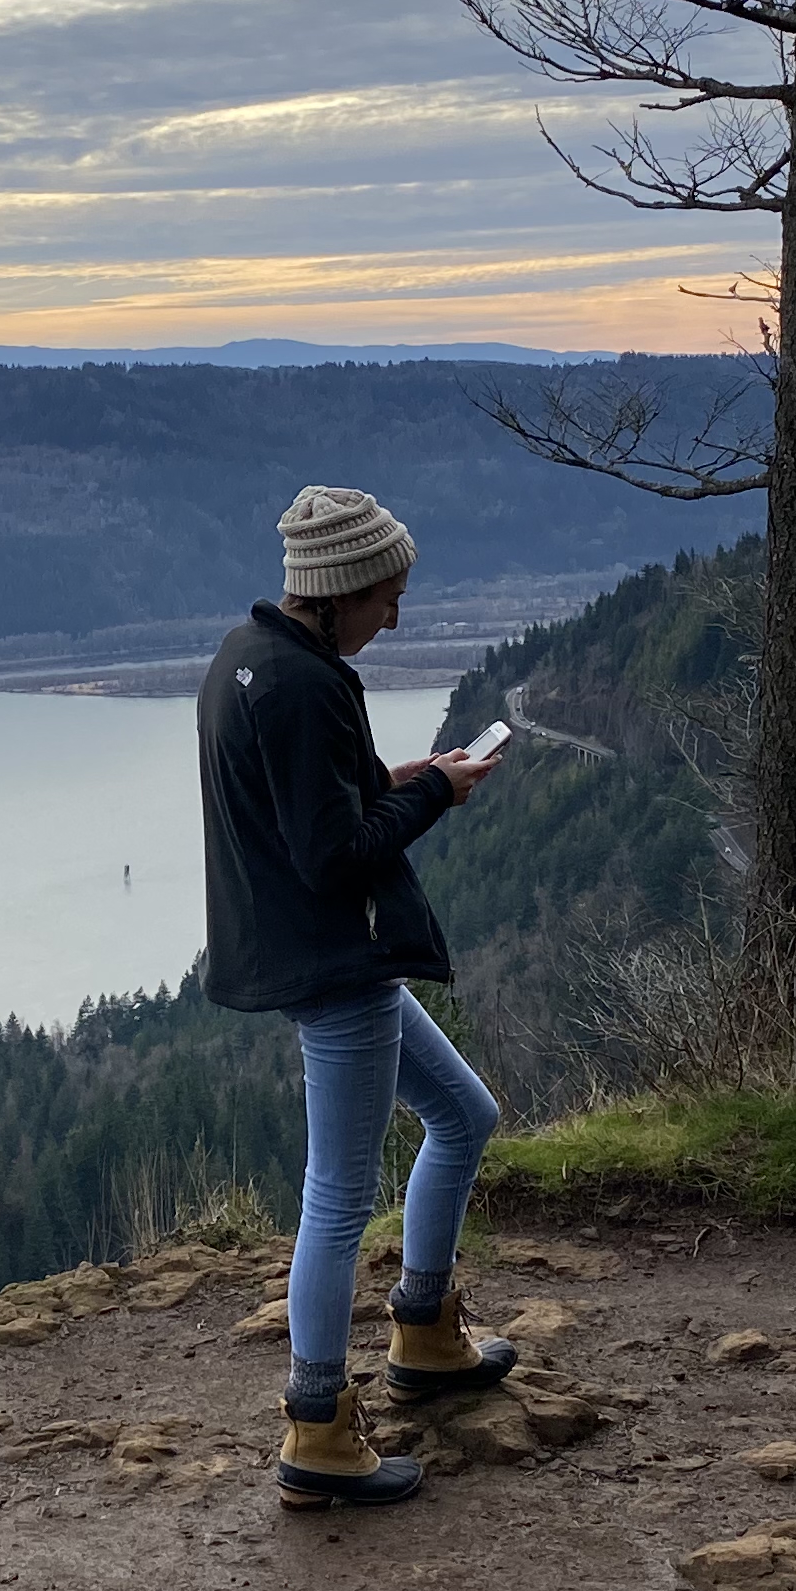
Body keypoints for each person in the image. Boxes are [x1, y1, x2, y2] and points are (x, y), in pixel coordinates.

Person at [198, 484, 516, 1513]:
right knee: (337, 1198)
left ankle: (423, 1332)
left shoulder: (251, 657)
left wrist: (398, 776)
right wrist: (434, 795)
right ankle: (318, 1424)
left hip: (315, 955)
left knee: (464, 1115)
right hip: (337, 962)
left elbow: (308, 803)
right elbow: (334, 857)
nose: (396, 616)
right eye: (388, 596)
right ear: (339, 591)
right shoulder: (304, 684)